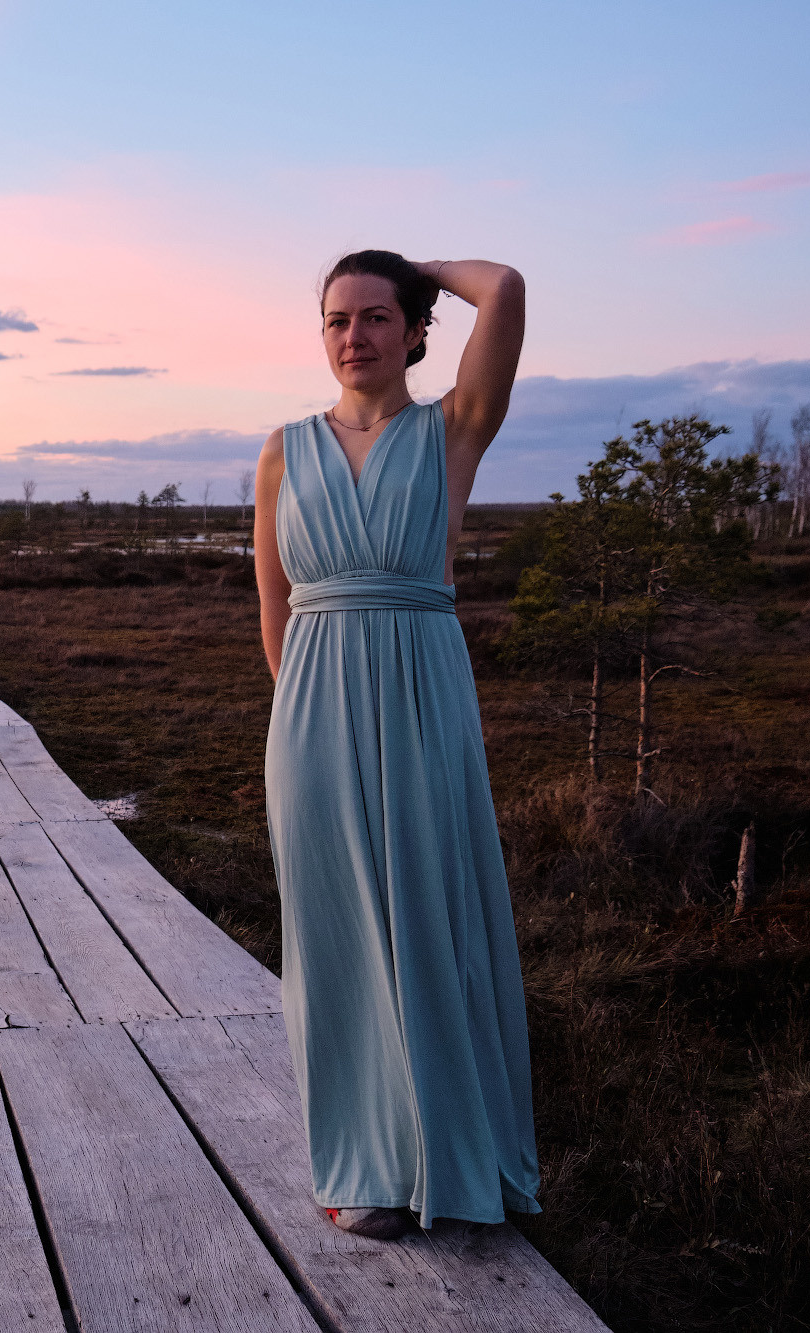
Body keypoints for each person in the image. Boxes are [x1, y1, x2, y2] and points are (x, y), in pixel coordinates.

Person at [252, 250, 539, 1239]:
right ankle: (362, 1163)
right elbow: (276, 611)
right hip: (312, 715)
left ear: (412, 330)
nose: (352, 336)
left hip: (422, 695)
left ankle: (447, 1156)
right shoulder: (282, 450)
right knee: (331, 938)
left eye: (376, 316)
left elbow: (499, 288)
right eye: (335, 319)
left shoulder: (451, 431)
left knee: (428, 913)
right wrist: (301, 720)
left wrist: (408, 268)